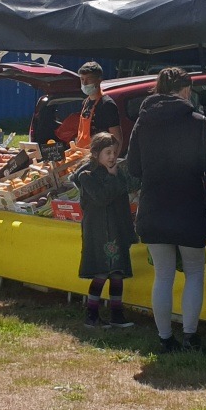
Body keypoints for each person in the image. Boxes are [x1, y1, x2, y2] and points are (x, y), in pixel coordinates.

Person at [125, 67, 206, 352]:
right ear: (186, 90)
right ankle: (191, 336)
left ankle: (165, 339)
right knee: (193, 272)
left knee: (163, 276)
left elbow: (133, 168)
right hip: (188, 206)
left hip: (153, 207)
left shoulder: (142, 121)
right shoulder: (197, 121)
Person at [73, 131, 135, 329]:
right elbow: (102, 197)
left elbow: (126, 191)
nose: (112, 157)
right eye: (108, 152)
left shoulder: (118, 172)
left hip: (117, 228)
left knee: (117, 272)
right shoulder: (87, 176)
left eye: (114, 153)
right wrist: (112, 178)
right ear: (96, 154)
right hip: (98, 231)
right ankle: (92, 314)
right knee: (101, 272)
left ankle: (117, 314)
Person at [74, 61, 122, 149]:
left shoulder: (107, 104)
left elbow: (117, 139)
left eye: (89, 79)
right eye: (82, 79)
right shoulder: (85, 102)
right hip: (83, 154)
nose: (84, 83)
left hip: (99, 157)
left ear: (99, 80)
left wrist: (111, 159)